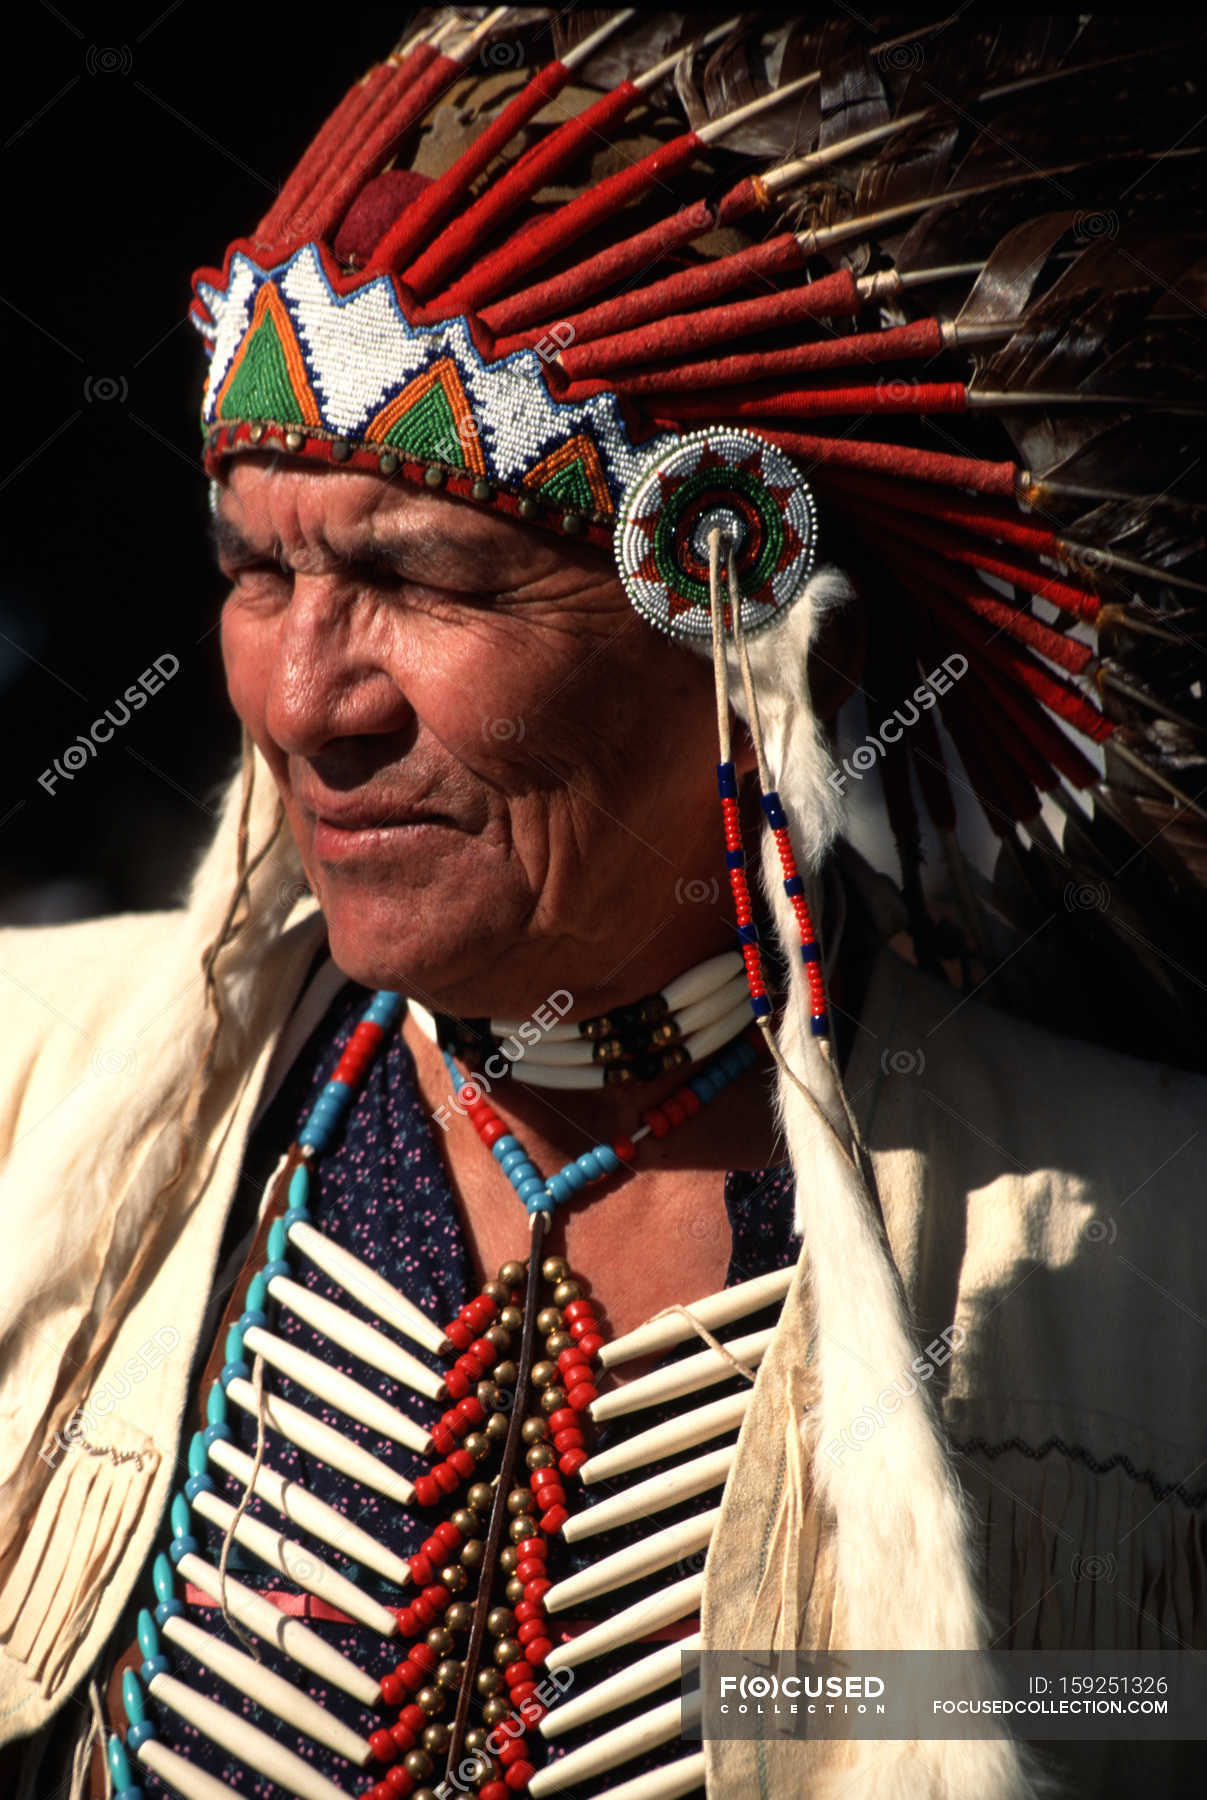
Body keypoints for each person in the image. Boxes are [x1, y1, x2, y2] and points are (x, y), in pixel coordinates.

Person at [2, 10, 1206, 1799]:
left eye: (424, 582)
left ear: (764, 642)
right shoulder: (31, 1091)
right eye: (261, 570)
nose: (307, 699)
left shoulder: (1135, 1253)